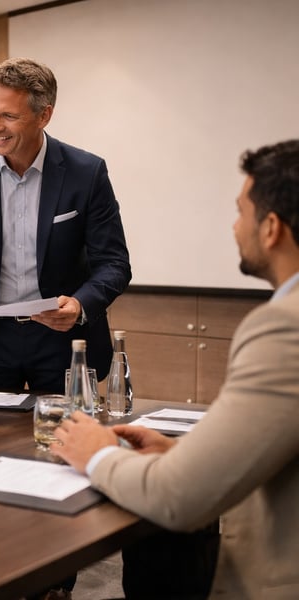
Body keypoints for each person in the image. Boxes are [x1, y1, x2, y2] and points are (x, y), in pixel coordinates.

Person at [52, 139, 299, 598]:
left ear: (271, 229)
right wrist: (181, 454)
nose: (234, 225)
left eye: (240, 212)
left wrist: (97, 453)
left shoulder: (285, 328)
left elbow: (178, 499)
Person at [0, 57, 131, 394]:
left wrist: (79, 305)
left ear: (44, 116)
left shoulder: (86, 173)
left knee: (65, 428)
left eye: (9, 116)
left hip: (62, 337)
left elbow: (114, 264)